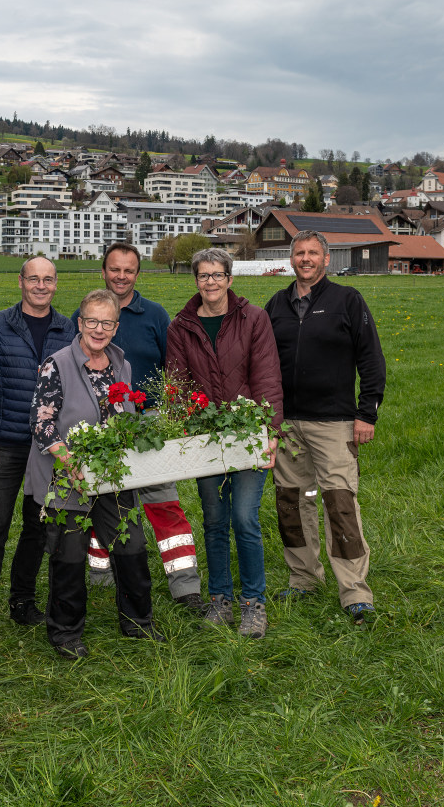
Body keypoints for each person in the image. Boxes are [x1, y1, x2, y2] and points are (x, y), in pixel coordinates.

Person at [26, 288, 163, 659]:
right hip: (68, 477)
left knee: (131, 546)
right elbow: (41, 423)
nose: (99, 329)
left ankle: (139, 623)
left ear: (116, 327)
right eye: (92, 321)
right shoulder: (57, 364)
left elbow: (125, 418)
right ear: (80, 323)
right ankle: (66, 633)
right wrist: (68, 461)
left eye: (107, 322)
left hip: (112, 477)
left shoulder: (122, 365)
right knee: (69, 555)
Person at [265, 230, 386, 624]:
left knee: (339, 503)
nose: (305, 259)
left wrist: (366, 413)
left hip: (333, 422)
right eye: (299, 253)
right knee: (291, 503)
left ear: (326, 259)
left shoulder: (347, 300)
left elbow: (371, 358)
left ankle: (354, 592)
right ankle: (303, 579)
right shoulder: (277, 304)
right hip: (286, 423)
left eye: (313, 253)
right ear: (291, 258)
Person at [77, 242, 203, 611]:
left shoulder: (155, 315)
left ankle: (185, 585)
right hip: (100, 422)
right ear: (103, 271)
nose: (120, 276)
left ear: (137, 273)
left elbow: (175, 368)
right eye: (114, 269)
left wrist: (174, 413)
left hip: (147, 425)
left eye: (128, 270)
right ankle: (102, 578)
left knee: (162, 501)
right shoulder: (85, 315)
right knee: (103, 498)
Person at [165, 247, 283, 638]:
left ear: (230, 280)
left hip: (248, 433)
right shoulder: (181, 326)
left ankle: (253, 602)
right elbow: (177, 384)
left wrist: (271, 432)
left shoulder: (254, 319)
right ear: (195, 281)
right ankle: (219, 599)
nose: (211, 282)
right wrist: (186, 427)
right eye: (203, 276)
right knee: (214, 520)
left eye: (218, 275)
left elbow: (266, 378)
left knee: (245, 518)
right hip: (204, 438)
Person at [0, 254, 75, 652]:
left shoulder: (69, 328)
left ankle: (22, 601)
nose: (40, 286)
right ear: (21, 282)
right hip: (5, 445)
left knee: (37, 530)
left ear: (56, 284)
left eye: (48, 279)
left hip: (48, 451)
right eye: (33, 279)